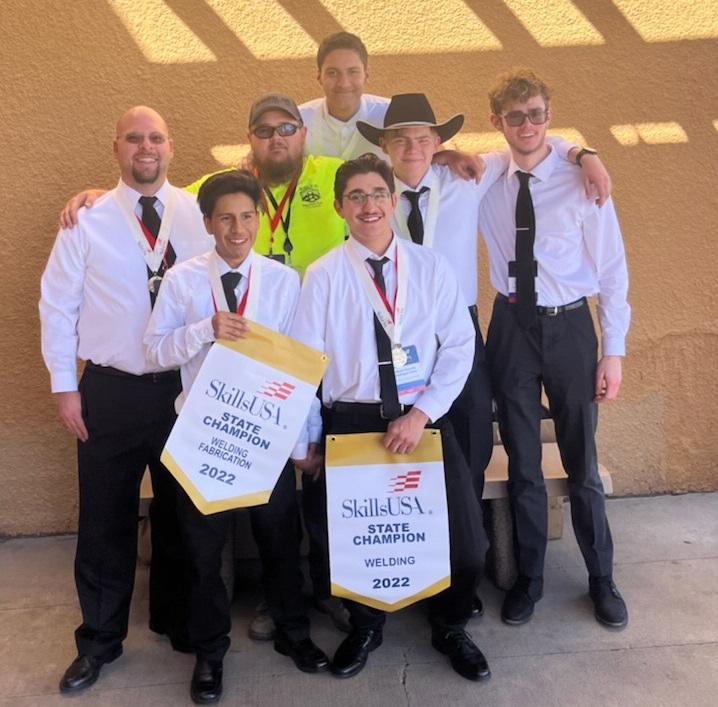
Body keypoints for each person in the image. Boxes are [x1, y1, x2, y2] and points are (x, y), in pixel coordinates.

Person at [356, 92, 614, 612]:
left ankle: (463, 578)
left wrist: (585, 153)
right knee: (390, 450)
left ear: (439, 143)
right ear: (383, 145)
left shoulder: (469, 178)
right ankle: (400, 573)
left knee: (472, 454)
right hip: (391, 334)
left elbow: (534, 145)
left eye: (424, 139)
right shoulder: (369, 197)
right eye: (401, 139)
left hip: (461, 332)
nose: (413, 148)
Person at [292, 153, 491, 682]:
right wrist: (308, 441)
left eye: (377, 194)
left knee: (466, 543)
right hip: (351, 424)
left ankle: (450, 625)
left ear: (393, 200)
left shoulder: (430, 268)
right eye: (355, 196)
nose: (368, 205)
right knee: (354, 541)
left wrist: (421, 413)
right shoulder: (323, 276)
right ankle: (365, 625)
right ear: (339, 207)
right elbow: (308, 367)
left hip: (420, 421)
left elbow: (459, 345)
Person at [39, 106, 213, 694]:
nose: (146, 147)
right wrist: (66, 386)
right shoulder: (85, 219)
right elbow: (57, 305)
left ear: (172, 145)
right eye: (135, 138)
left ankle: (178, 622)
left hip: (183, 390)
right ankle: (99, 641)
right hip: (109, 390)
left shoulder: (198, 213)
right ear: (116, 148)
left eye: (157, 137)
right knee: (105, 521)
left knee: (184, 516)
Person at [144, 169, 329, 703]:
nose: (238, 227)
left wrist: (304, 441)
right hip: (202, 439)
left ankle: (293, 633)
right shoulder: (181, 280)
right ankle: (209, 651)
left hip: (266, 441)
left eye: (247, 216)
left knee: (278, 540)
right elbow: (153, 352)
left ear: (258, 221)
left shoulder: (282, 281)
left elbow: (302, 369)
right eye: (225, 217)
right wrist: (205, 330)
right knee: (202, 553)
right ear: (208, 223)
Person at [478, 70, 630, 629]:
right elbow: (455, 165)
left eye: (537, 114)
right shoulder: (487, 179)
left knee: (581, 463)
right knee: (522, 461)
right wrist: (579, 147)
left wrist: (612, 350)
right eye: (515, 116)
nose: (527, 125)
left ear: (550, 115)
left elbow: (612, 271)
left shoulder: (583, 181)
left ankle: (601, 579)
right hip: (512, 327)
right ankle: (530, 577)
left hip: (570, 329)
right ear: (497, 122)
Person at [299, 31, 389, 160]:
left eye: (353, 72)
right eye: (333, 73)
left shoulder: (390, 117)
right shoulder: (299, 122)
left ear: (366, 75)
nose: (343, 84)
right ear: (319, 77)